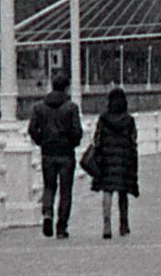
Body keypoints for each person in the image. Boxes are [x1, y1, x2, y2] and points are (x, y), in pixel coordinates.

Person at [26, 72, 84, 239]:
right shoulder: (71, 107)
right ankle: (61, 227)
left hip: (48, 152)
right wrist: (73, 142)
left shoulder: (39, 107)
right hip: (66, 153)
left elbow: (32, 129)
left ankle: (47, 213)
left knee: (49, 186)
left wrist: (41, 141)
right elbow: (76, 131)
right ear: (66, 87)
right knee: (66, 191)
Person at [85, 85, 140, 238]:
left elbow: (97, 139)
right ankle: (124, 225)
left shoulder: (103, 118)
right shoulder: (129, 120)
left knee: (107, 191)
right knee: (123, 193)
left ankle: (106, 225)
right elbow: (133, 140)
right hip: (123, 159)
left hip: (107, 159)